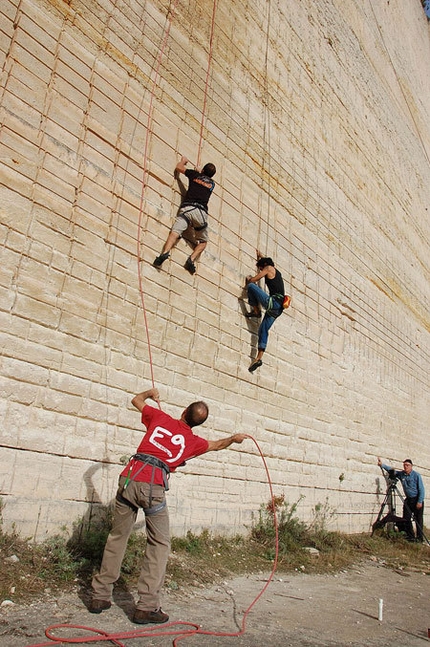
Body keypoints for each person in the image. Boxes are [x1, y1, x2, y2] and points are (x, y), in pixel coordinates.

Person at [90, 387, 247, 624]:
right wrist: (233, 439)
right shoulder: (194, 441)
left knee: (117, 537)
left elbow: (136, 400)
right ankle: (147, 607)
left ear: (183, 411)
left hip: (129, 477)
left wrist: (149, 393)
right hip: (152, 486)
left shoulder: (159, 417)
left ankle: (100, 596)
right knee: (159, 543)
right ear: (198, 424)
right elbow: (216, 445)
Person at [153, 156, 216, 274]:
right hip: (200, 213)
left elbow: (179, 168)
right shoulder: (212, 184)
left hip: (187, 208)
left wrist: (183, 161)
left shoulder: (194, 175)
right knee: (203, 242)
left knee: (174, 233)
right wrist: (199, 172)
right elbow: (204, 181)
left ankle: (164, 253)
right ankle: (191, 260)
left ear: (203, 170)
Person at [245, 251, 290, 373]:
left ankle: (256, 311)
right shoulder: (275, 270)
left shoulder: (268, 268)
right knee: (263, 330)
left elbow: (254, 279)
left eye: (260, 268)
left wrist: (250, 279)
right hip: (279, 309)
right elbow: (267, 262)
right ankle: (258, 358)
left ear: (264, 265)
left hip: (273, 302)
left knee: (250, 286)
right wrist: (260, 256)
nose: (260, 270)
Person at [376, 457, 425, 542]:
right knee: (406, 518)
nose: (406, 467)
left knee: (418, 519)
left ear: (411, 466)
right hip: (408, 500)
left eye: (407, 465)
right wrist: (382, 465)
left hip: (416, 499)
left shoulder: (416, 475)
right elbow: (392, 471)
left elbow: (421, 489)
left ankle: (420, 538)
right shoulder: (402, 474)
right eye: (404, 465)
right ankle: (410, 536)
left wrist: (419, 501)